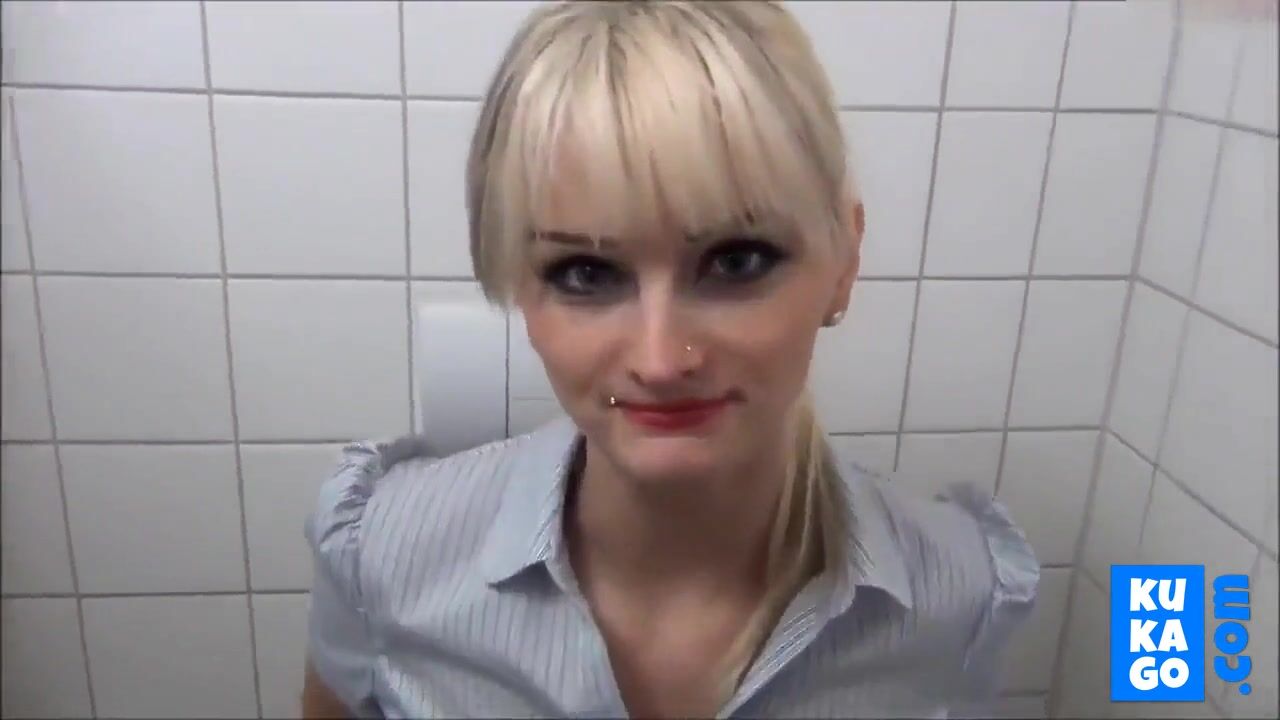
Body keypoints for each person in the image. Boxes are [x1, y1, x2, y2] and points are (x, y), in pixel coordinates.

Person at [302, 1, 1038, 717]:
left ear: (844, 261)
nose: (660, 361)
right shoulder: (384, 556)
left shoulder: (959, 598)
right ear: (521, 288)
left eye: (738, 261)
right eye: (585, 273)